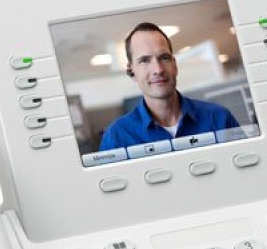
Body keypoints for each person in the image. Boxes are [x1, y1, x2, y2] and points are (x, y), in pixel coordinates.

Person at [99, 22, 242, 152]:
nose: (158, 69)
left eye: (164, 58)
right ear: (132, 72)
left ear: (175, 65)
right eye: (145, 60)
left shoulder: (219, 118)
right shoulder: (116, 138)